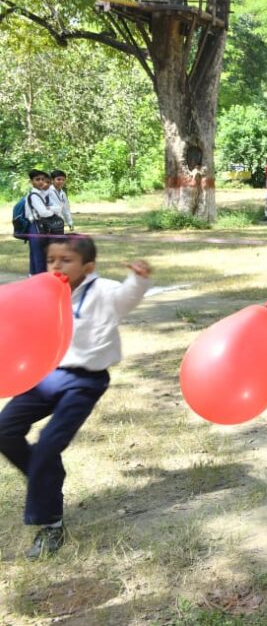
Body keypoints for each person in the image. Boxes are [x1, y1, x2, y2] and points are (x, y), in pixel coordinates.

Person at [0, 235, 150, 558]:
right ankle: (46, 476)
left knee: (47, 444)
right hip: (48, 374)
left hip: (86, 380)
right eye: (52, 259)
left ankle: (50, 525)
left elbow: (126, 297)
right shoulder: (44, 291)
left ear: (88, 266)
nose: (56, 265)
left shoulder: (103, 291)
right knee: (5, 429)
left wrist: (137, 279)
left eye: (65, 260)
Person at [23, 170, 64, 275]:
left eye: (42, 179)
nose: (41, 182)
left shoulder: (41, 194)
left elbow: (59, 207)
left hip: (40, 227)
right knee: (39, 256)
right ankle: (40, 281)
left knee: (38, 255)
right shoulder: (34, 196)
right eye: (37, 179)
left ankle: (34, 280)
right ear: (31, 181)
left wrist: (51, 208)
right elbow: (44, 212)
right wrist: (52, 210)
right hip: (36, 227)